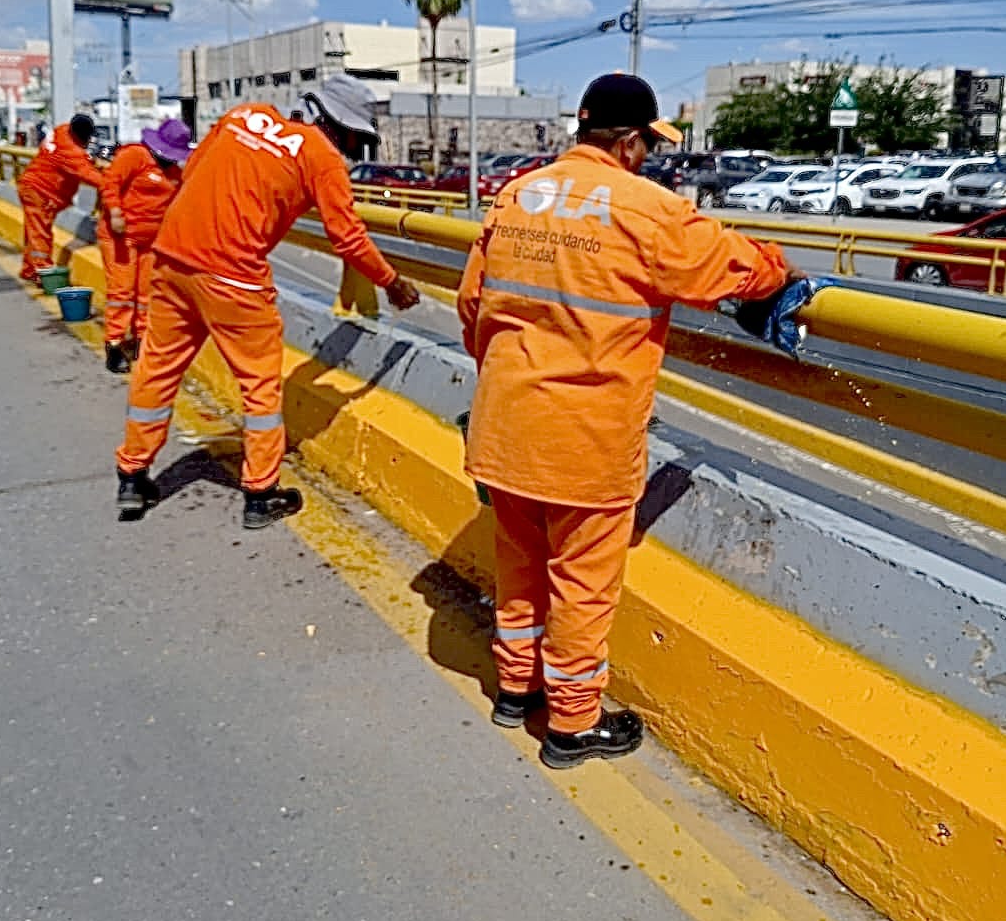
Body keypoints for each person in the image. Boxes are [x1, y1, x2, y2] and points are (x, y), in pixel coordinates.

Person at [457, 72, 806, 770]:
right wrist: (778, 272)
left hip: (506, 425)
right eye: (648, 142)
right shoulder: (648, 210)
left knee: (520, 564)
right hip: (586, 441)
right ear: (627, 142)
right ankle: (572, 726)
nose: (651, 154)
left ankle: (513, 690)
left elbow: (472, 309)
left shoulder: (516, 195)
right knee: (581, 585)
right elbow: (736, 271)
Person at [114, 100, 422, 529]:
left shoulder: (244, 114)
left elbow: (193, 171)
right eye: (359, 141)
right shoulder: (323, 159)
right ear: (346, 131)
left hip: (173, 255)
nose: (357, 152)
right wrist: (392, 282)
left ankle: (132, 475)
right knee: (259, 387)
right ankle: (260, 492)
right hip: (235, 277)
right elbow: (347, 237)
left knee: (157, 367)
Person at [98, 118, 191, 374]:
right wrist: (115, 212)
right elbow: (110, 184)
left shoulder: (174, 174)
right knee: (122, 292)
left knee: (146, 293)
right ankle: (114, 344)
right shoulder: (134, 156)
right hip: (121, 237)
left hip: (152, 241)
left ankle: (142, 338)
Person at [16, 113, 103, 282]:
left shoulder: (61, 130)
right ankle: (44, 273)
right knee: (40, 234)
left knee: (33, 233)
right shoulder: (72, 154)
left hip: (31, 185)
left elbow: (80, 160)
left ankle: (29, 269)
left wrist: (88, 159)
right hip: (41, 193)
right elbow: (97, 180)